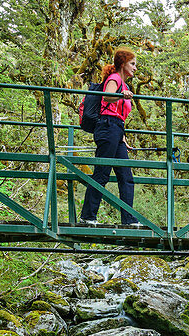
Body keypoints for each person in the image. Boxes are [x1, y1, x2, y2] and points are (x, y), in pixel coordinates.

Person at [80, 48, 141, 226]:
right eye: (133, 64)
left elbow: (119, 115)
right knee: (102, 173)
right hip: (107, 127)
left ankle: (128, 219)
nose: (135, 68)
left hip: (116, 130)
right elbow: (107, 97)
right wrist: (120, 95)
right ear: (122, 64)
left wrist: (121, 136)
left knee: (126, 176)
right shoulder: (114, 79)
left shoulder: (125, 84)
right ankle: (88, 216)